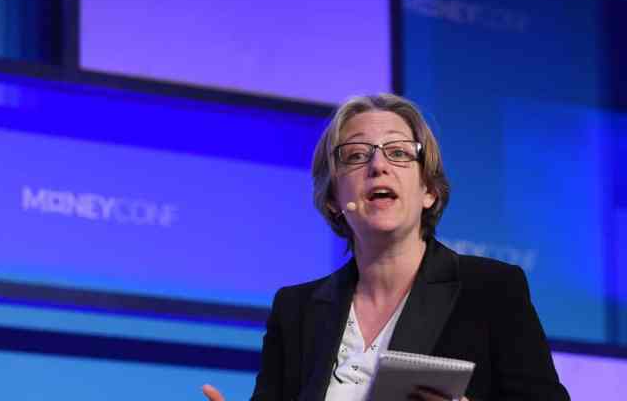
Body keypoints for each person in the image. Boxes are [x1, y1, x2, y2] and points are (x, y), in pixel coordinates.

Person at [202, 94, 569, 401]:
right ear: (332, 197)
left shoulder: (490, 289)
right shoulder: (296, 311)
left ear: (429, 190)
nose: (378, 165)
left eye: (399, 152)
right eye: (357, 155)